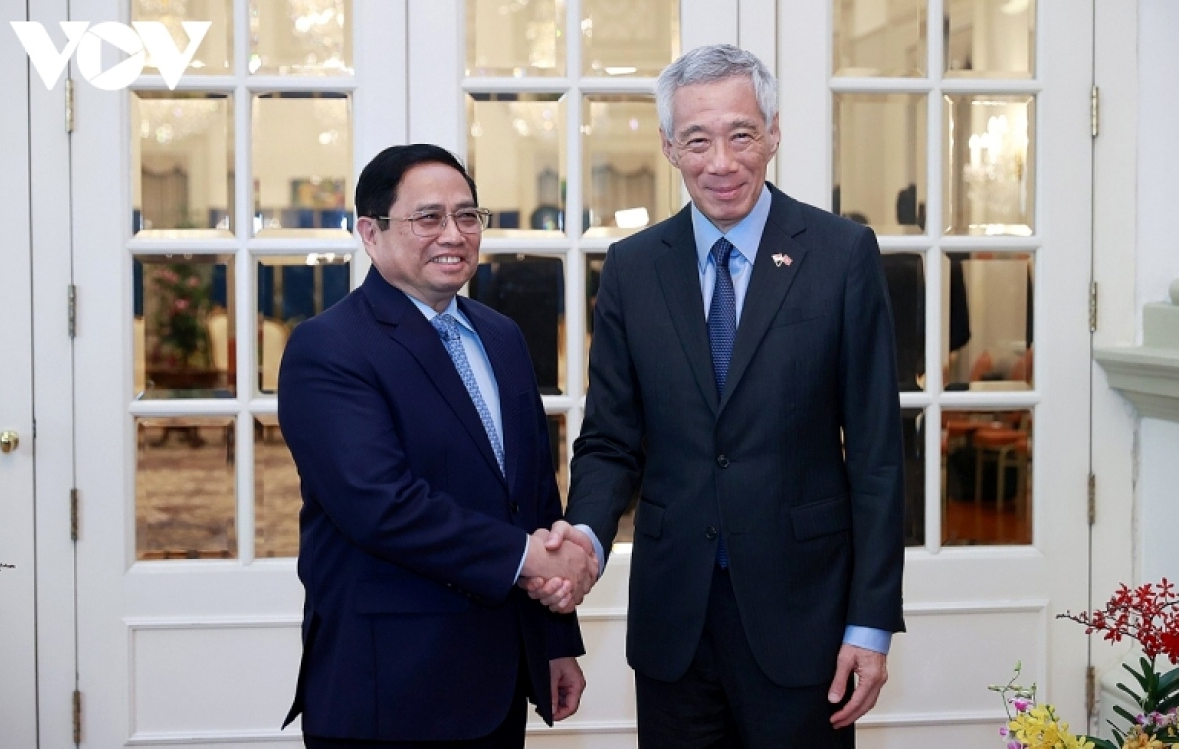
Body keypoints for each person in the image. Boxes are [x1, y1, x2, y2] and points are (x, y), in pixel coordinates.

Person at [529, 44, 906, 747]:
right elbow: (611, 439)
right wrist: (582, 539)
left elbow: (879, 456)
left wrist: (870, 620)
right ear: (669, 146)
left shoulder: (840, 253)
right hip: (676, 616)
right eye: (697, 140)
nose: (721, 162)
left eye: (741, 134)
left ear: (773, 133)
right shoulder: (634, 268)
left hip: (806, 613)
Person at [278, 143, 596, 748]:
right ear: (370, 233)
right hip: (389, 687)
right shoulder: (329, 348)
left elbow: (530, 496)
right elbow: (381, 505)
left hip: (500, 679)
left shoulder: (501, 336)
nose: (453, 234)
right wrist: (530, 559)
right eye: (428, 218)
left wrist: (555, 643)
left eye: (468, 216)